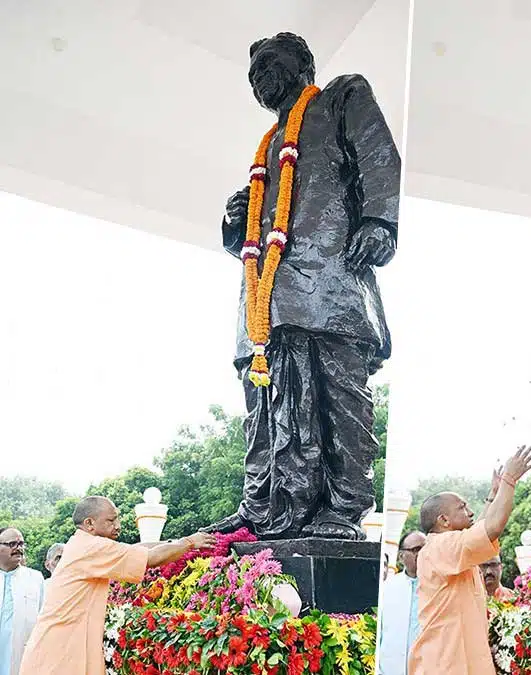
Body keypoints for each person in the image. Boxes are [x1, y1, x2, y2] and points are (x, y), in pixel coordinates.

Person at [207, 31, 401, 540]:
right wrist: (237, 218)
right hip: (266, 302)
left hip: (329, 281)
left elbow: (380, 157)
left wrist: (380, 222)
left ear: (302, 64)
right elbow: (253, 240)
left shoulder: (340, 98)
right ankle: (262, 504)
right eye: (253, 73)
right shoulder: (268, 147)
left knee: (340, 399)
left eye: (269, 64)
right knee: (263, 405)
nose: (260, 77)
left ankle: (343, 507)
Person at [19, 496, 217, 675]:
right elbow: (151, 558)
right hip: (58, 655)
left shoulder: (83, 543)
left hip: (62, 648)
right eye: (111, 520)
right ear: (89, 523)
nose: (118, 525)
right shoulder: (91, 547)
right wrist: (190, 542)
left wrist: (174, 542)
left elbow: (134, 549)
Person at [408, 446, 531, 675]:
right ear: (444, 520)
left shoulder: (448, 546)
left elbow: (479, 528)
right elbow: (491, 527)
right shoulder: (441, 546)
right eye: (462, 507)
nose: (469, 511)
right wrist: (509, 480)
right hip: (445, 665)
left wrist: (494, 495)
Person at [379, 531, 425, 675]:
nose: (422, 554)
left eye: (426, 549)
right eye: (416, 550)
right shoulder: (388, 587)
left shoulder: (440, 587)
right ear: (401, 556)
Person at [0, 528, 43, 675]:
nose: (18, 548)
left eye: (21, 544)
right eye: (12, 544)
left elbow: (44, 618)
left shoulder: (35, 578)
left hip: (24, 656)